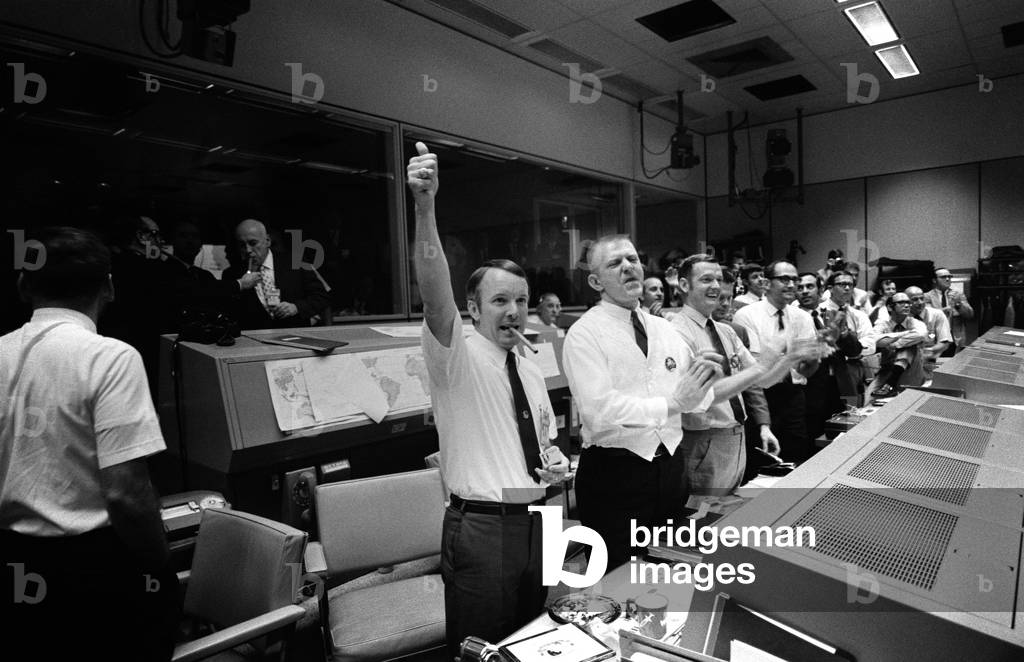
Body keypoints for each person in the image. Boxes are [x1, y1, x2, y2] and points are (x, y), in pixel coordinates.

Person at [407, 143, 572, 655]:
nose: (514, 311)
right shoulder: (455, 355)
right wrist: (426, 205)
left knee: (528, 641)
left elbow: (541, 442)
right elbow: (434, 292)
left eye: (521, 301)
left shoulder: (528, 365)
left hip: (540, 521)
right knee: (480, 649)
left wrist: (556, 464)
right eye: (500, 300)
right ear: (473, 309)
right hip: (481, 529)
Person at [1, 227, 178, 662]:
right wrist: (160, 567)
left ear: (24, 285)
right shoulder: (111, 358)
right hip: (90, 571)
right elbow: (127, 494)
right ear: (109, 287)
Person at [562, 235, 723, 567]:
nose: (627, 267)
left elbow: (695, 401)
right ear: (595, 281)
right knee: (618, 578)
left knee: (666, 567)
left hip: (670, 471)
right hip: (615, 475)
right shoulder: (584, 334)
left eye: (632, 259)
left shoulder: (664, 329)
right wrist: (674, 403)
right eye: (614, 263)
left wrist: (707, 376)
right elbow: (599, 412)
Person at [670, 255, 801, 495]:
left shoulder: (726, 331)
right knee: (704, 520)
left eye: (719, 279)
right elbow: (698, 399)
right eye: (706, 279)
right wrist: (762, 365)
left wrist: (792, 358)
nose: (716, 286)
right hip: (704, 439)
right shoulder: (675, 333)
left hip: (736, 436)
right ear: (684, 285)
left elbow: (762, 380)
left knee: (725, 514)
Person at [733, 261, 821, 463]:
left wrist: (814, 359)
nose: (791, 285)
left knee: (796, 455)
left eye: (794, 279)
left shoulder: (802, 318)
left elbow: (806, 368)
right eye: (784, 279)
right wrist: (791, 359)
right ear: (766, 282)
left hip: (794, 396)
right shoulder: (747, 315)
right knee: (765, 459)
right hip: (762, 397)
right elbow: (755, 367)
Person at [712, 270, 780, 482]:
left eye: (729, 298)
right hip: (709, 431)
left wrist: (764, 425)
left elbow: (751, 383)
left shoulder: (736, 331)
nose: (725, 304)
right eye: (719, 298)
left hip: (741, 426)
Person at [222, 219, 331, 329]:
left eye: (253, 243)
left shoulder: (295, 262)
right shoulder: (232, 275)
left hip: (295, 335)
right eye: (242, 245)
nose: (248, 250)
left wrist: (296, 307)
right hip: (256, 339)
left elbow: (321, 297)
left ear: (268, 240)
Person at [821, 271, 876, 401]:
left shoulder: (859, 315)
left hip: (852, 367)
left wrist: (853, 348)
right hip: (827, 371)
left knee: (850, 409)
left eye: (850, 285)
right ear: (830, 288)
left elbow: (870, 344)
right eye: (842, 284)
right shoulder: (818, 311)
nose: (847, 288)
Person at [870, 292, 928, 397]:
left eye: (908, 302)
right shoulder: (882, 324)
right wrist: (904, 333)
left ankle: (890, 383)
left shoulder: (915, 323)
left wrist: (894, 343)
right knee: (868, 399)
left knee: (909, 345)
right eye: (901, 302)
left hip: (912, 372)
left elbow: (921, 334)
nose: (906, 305)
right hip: (887, 369)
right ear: (890, 307)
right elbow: (873, 339)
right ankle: (890, 383)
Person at [907, 285, 953, 381]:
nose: (920, 303)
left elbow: (945, 342)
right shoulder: (901, 317)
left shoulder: (937, 315)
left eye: (922, 298)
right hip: (907, 363)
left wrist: (930, 350)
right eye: (915, 299)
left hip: (930, 362)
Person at [925, 268, 974, 353]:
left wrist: (958, 304)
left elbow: (970, 315)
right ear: (934, 280)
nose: (947, 279)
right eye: (943, 277)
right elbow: (928, 317)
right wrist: (944, 310)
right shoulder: (927, 296)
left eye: (949, 277)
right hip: (935, 340)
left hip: (956, 340)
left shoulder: (958, 295)